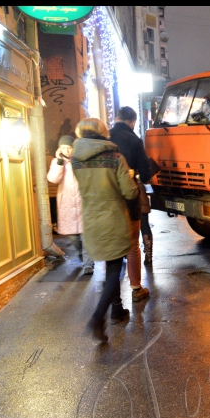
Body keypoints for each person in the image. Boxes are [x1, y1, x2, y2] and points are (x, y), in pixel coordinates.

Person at [71, 118, 139, 343]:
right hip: (113, 219)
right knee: (114, 270)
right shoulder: (115, 158)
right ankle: (98, 317)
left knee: (109, 267)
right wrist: (132, 179)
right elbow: (129, 193)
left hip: (91, 219)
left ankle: (116, 310)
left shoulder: (76, 160)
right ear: (102, 132)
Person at [110, 107, 157, 290]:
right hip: (131, 194)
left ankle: (113, 295)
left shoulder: (105, 138)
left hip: (109, 197)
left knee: (113, 243)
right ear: (133, 122)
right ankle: (136, 287)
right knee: (133, 241)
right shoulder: (134, 140)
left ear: (116, 118)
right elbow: (145, 175)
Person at [47, 136, 94, 275]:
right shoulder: (57, 162)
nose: (67, 150)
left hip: (82, 202)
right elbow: (53, 179)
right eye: (63, 148)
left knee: (86, 237)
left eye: (69, 147)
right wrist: (60, 162)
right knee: (74, 238)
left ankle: (88, 264)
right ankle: (81, 254)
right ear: (59, 149)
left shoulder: (81, 160)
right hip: (67, 204)